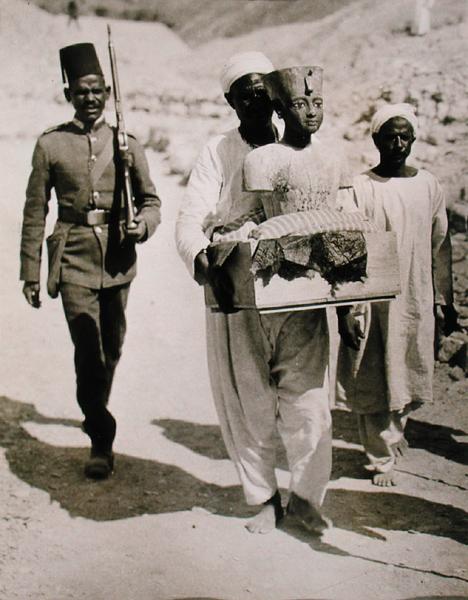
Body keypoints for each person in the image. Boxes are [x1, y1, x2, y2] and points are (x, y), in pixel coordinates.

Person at [177, 57, 352, 535]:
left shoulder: (304, 147)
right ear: (229, 101)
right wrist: (202, 260)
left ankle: (307, 500)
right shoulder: (219, 151)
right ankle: (263, 498)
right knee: (247, 398)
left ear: (278, 96)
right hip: (237, 289)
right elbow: (191, 216)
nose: (255, 100)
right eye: (244, 92)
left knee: (309, 399)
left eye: (262, 91)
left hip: (300, 293)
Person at [20, 43, 161, 479]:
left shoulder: (127, 145)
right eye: (82, 91)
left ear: (108, 91)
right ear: (69, 95)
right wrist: (30, 272)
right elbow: (34, 211)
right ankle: (101, 437)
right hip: (74, 258)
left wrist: (144, 226)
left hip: (118, 260)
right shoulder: (50, 145)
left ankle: (94, 408)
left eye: (98, 90)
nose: (91, 98)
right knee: (88, 350)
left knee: (111, 348)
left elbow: (151, 200)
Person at [336, 103, 457, 486]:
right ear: (376, 139)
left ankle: (394, 434)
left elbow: (441, 243)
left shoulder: (428, 184)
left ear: (415, 139)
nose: (399, 143)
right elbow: (345, 246)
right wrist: (345, 308)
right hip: (373, 295)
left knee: (407, 367)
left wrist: (445, 299)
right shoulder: (360, 187)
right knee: (373, 370)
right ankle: (381, 457)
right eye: (391, 136)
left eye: (405, 136)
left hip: (415, 294)